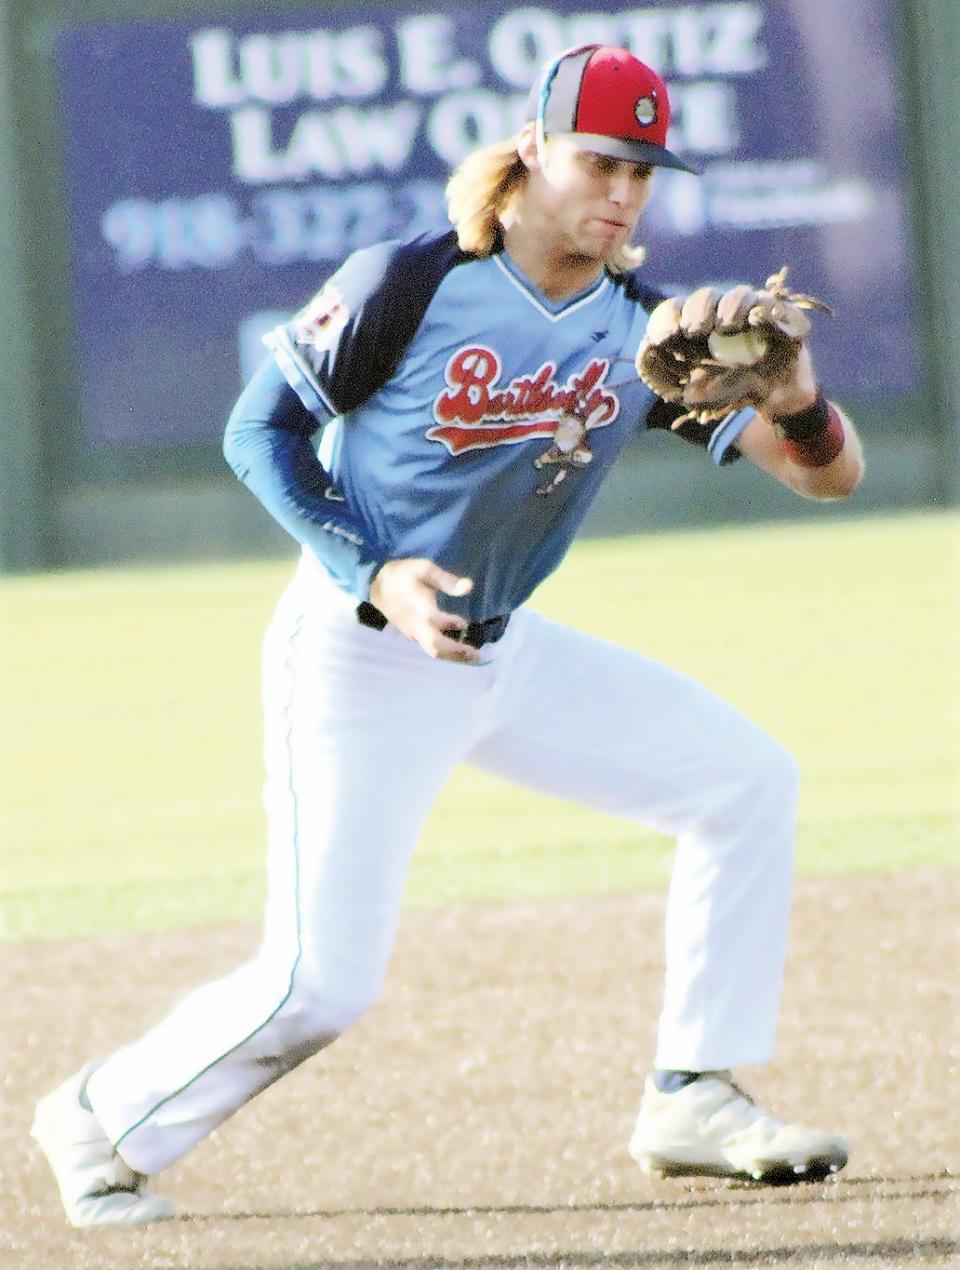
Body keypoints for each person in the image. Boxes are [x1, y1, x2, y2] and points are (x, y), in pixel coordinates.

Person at [32, 45, 864, 1227]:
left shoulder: (641, 329)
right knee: (320, 983)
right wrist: (373, 571)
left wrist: (796, 401)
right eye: (599, 160)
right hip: (360, 650)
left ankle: (692, 1091)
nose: (622, 192)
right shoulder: (414, 280)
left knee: (744, 780)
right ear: (533, 147)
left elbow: (826, 477)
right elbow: (254, 432)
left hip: (505, 652)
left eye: (643, 169)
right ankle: (97, 1114)